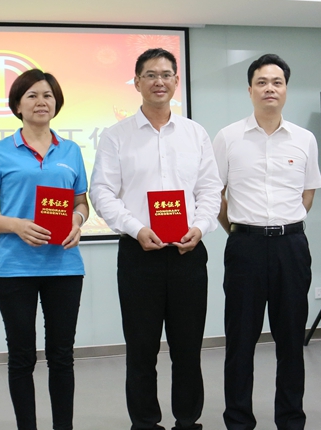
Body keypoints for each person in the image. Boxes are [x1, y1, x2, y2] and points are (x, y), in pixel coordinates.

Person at [90, 48, 222, 430]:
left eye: (166, 74)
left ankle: (187, 421)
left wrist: (200, 226)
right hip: (139, 254)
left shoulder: (195, 134)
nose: (158, 81)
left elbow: (210, 189)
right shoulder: (116, 136)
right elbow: (102, 192)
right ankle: (145, 423)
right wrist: (136, 228)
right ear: (136, 82)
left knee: (188, 348)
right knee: (141, 349)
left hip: (187, 253)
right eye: (150, 75)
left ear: (176, 81)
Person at [212, 54, 321, 430]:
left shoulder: (304, 139)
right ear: (250, 90)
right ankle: (238, 421)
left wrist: (284, 225)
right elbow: (216, 195)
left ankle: (291, 420)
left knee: (291, 340)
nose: (269, 88)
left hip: (291, 247)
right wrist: (239, 231)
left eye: (277, 82)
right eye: (262, 82)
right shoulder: (228, 137)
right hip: (245, 246)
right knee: (240, 341)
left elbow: (307, 194)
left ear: (286, 89)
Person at [0, 69, 88, 430]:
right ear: (17, 105)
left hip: (64, 267)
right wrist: (16, 226)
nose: (42, 102)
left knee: (62, 356)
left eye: (48, 95)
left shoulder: (71, 150)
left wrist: (77, 221)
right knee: (22, 357)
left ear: (56, 103)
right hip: (15, 269)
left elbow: (81, 203)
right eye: (32, 96)